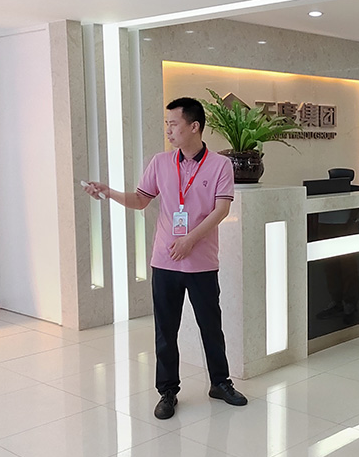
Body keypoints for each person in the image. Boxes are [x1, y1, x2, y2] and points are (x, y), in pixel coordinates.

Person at [82, 97, 248, 420]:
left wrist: (190, 240)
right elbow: (140, 200)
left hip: (202, 262)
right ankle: (168, 391)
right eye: (167, 124)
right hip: (165, 262)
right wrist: (109, 192)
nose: (168, 130)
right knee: (165, 331)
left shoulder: (220, 165)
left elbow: (222, 210)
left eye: (174, 124)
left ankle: (220, 383)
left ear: (194, 126)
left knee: (211, 327)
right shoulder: (160, 163)